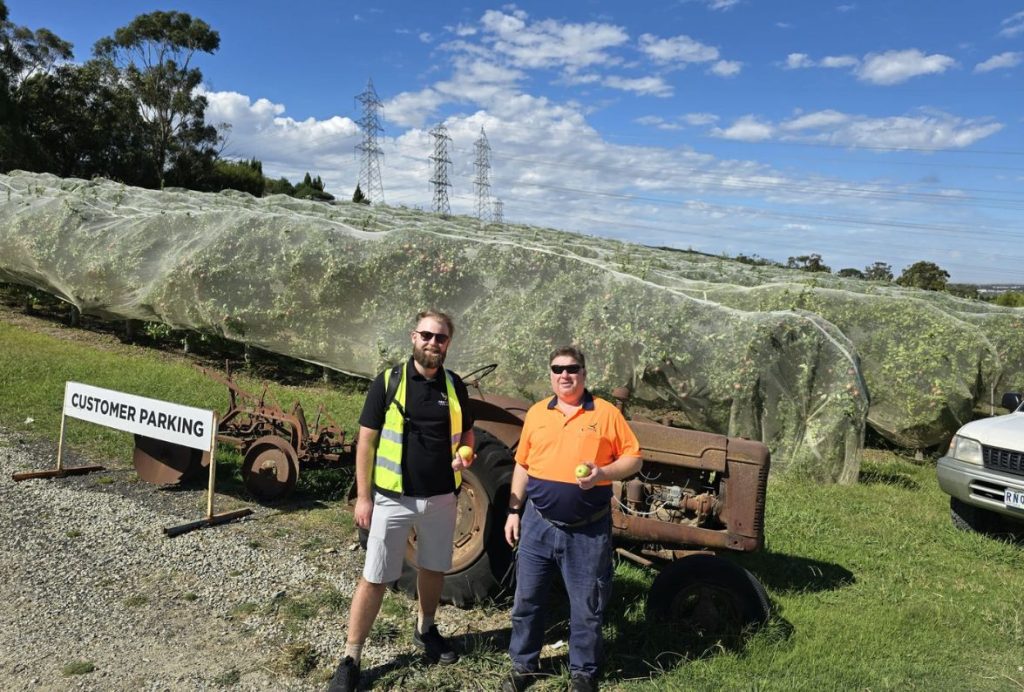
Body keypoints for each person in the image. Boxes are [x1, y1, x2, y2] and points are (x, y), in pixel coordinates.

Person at [329, 309, 475, 692]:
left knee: (433, 569)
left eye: (440, 338)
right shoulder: (389, 382)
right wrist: (364, 497)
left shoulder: (455, 386)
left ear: (448, 344)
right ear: (413, 337)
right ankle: (351, 657)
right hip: (392, 499)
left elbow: (468, 436)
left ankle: (425, 629)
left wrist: (465, 454)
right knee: (375, 577)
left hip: (442, 497)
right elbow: (367, 441)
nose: (433, 343)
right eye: (426, 335)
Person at [502, 346, 642, 692]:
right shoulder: (537, 413)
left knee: (587, 606)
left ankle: (583, 672)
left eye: (572, 368)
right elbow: (523, 463)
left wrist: (603, 473)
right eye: (557, 368)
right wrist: (514, 510)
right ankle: (523, 665)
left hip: (587, 529)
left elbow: (634, 460)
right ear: (550, 374)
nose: (565, 375)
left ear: (584, 373)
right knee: (527, 599)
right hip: (538, 523)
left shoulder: (606, 414)